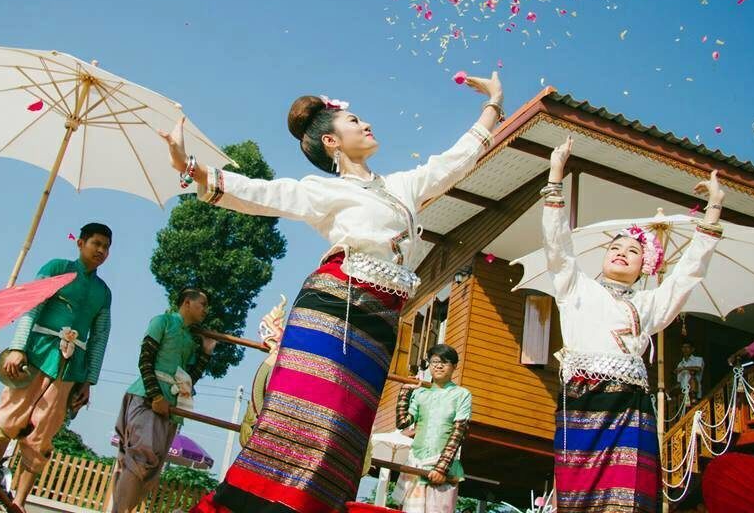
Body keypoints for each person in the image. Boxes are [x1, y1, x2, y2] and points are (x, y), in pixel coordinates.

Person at [161, 73, 505, 513]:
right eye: (354, 120)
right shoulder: (325, 189)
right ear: (331, 141)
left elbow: (453, 162)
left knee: (341, 437)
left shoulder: (403, 186)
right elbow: (265, 194)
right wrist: (190, 167)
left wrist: (493, 105)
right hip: (331, 310)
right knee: (304, 424)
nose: (366, 124)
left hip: (380, 325)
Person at [542, 137, 724, 513]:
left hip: (631, 406)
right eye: (615, 248)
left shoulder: (649, 304)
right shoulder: (575, 286)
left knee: (630, 498)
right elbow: (558, 246)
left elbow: (687, 276)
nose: (622, 253)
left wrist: (714, 211)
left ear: (646, 266)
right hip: (583, 401)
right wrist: (556, 175)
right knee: (578, 500)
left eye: (633, 251)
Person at [0, 223, 113, 508]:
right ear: (81, 243)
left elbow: (100, 337)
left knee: (42, 435)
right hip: (35, 355)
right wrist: (17, 348)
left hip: (70, 368)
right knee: (6, 421)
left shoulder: (104, 292)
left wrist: (89, 381)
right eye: (96, 243)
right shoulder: (57, 267)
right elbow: (32, 306)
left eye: (106, 247)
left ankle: (19, 503)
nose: (101, 250)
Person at [111, 288, 217, 513]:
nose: (206, 310)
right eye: (203, 304)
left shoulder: (191, 339)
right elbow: (145, 360)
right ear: (187, 302)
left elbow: (188, 380)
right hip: (146, 398)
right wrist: (156, 396)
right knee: (141, 459)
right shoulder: (162, 321)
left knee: (151, 472)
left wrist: (206, 353)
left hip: (172, 408)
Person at [394, 344, 472, 513]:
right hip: (415, 463)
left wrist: (441, 469)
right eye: (434, 361)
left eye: (444, 362)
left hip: (443, 470)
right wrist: (405, 392)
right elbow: (402, 423)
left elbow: (458, 433)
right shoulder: (420, 393)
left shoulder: (462, 394)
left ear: (454, 366)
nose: (438, 366)